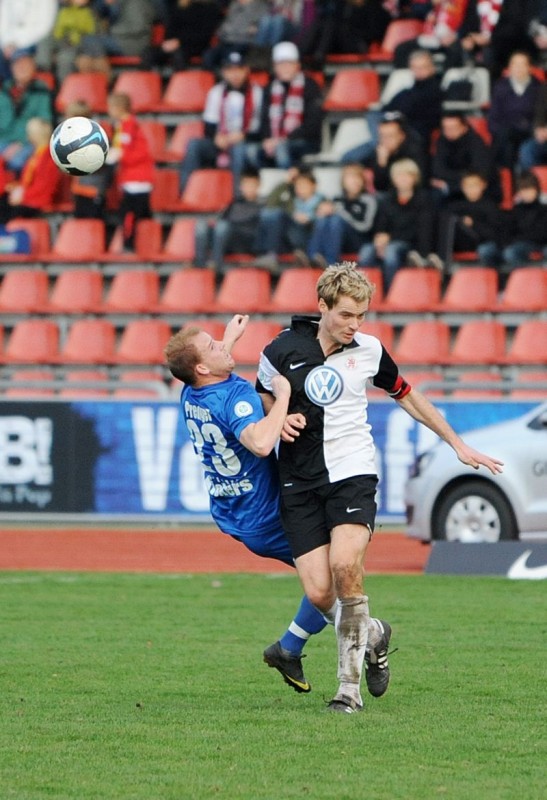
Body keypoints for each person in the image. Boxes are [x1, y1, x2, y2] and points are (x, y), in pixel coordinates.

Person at [256, 262, 504, 713]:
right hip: (298, 481)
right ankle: (374, 633)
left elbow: (407, 394)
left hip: (353, 473)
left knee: (346, 565)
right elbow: (265, 393)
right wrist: (280, 415)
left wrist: (457, 444)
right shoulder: (280, 349)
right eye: (347, 315)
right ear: (322, 306)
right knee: (318, 593)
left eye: (362, 316)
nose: (355, 325)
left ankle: (347, 691)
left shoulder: (369, 350)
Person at [164, 314, 395, 696]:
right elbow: (257, 442)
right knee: (327, 584)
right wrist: (283, 396)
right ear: (202, 367)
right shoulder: (234, 397)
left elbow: (212, 375)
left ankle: (289, 648)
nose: (222, 346)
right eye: (212, 346)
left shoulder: (192, 389)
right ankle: (372, 636)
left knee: (327, 581)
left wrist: (228, 341)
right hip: (265, 512)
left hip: (231, 509)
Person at [178, 50, 263, 193]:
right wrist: (216, 137)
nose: (235, 74)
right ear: (224, 72)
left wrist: (244, 136)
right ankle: (185, 193)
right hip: (221, 141)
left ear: (246, 70)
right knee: (194, 145)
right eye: (230, 70)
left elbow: (262, 128)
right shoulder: (216, 92)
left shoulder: (257, 93)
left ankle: (237, 197)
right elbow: (209, 126)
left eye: (239, 69)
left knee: (239, 149)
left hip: (245, 141)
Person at [244, 41, 323, 171]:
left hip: (304, 141)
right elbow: (264, 120)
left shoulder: (310, 87)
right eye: (281, 64)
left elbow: (312, 124)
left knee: (282, 148)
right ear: (275, 67)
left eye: (289, 63)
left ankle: (286, 185)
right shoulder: (269, 89)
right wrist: (267, 139)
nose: (285, 68)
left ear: (297, 65)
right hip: (275, 141)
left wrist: (284, 139)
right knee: (251, 151)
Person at [358, 158, 437, 287]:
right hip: (389, 242)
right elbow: (380, 225)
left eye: (407, 175)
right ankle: (363, 294)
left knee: (391, 252)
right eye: (399, 175)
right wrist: (379, 238)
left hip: (411, 245)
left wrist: (390, 238)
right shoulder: (387, 200)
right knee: (366, 251)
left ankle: (392, 293)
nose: (402, 179)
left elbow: (422, 231)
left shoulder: (424, 200)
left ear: (414, 178)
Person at [106, 92, 155, 251]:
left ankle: (129, 246)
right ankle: (147, 246)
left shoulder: (127, 126)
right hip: (136, 177)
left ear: (119, 108)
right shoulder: (125, 125)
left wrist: (114, 156)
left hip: (136, 179)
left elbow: (126, 152)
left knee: (129, 214)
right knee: (143, 215)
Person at [302, 163, 378, 266]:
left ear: (363, 181)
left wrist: (340, 212)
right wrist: (321, 212)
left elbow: (365, 227)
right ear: (343, 181)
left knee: (336, 220)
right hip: (339, 241)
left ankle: (330, 262)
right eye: (350, 178)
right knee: (324, 219)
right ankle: (312, 257)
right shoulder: (337, 199)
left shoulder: (369, 200)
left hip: (359, 240)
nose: (354, 182)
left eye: (358, 178)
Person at [341, 111, 428, 195]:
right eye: (382, 136)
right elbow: (380, 187)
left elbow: (420, 184)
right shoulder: (380, 151)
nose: (385, 140)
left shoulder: (415, 151)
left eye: (390, 136)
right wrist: (382, 164)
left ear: (402, 136)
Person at [194, 167, 263, 272]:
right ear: (241, 186)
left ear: (258, 186)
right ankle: (200, 265)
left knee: (223, 227)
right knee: (201, 225)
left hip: (243, 242)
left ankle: (216, 266)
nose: (249, 188)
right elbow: (221, 220)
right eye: (246, 185)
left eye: (252, 185)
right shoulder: (234, 203)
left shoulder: (262, 206)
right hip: (225, 238)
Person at [254, 168, 323, 272]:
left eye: (305, 185)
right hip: (291, 237)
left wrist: (310, 217)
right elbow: (270, 205)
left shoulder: (322, 201)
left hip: (309, 237)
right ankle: (269, 255)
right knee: (272, 214)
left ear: (314, 186)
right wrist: (285, 183)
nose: (301, 188)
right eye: (298, 185)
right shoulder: (292, 201)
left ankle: (306, 257)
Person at [437, 170, 504, 267]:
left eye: (475, 185)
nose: (471, 189)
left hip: (484, 243)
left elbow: (495, 234)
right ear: (462, 187)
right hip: (461, 243)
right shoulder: (455, 206)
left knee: (485, 250)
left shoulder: (490, 206)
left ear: (483, 185)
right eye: (468, 186)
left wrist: (474, 224)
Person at [0, 117, 61, 224]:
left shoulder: (49, 157)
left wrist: (23, 195)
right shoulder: (35, 155)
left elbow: (45, 187)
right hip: (29, 197)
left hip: (37, 201)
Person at [487, 50, 541, 169]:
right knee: (503, 143)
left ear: (530, 67)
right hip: (506, 133)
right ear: (509, 67)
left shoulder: (539, 88)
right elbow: (493, 118)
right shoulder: (500, 87)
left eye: (522, 64)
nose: (518, 68)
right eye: (515, 64)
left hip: (529, 132)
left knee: (527, 148)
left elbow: (540, 117)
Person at [0, 52, 53, 173]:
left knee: (17, 162)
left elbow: (44, 124)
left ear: (33, 67)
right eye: (18, 65)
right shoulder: (4, 90)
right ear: (12, 68)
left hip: (27, 142)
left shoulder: (41, 90)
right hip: (3, 139)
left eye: (26, 64)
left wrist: (20, 144)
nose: (21, 68)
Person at [430, 112, 499, 203]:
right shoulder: (442, 141)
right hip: (449, 186)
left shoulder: (476, 143)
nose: (448, 131)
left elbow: (480, 173)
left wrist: (450, 183)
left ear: (464, 127)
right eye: (445, 128)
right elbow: (438, 169)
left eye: (453, 128)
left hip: (476, 189)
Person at [501, 170, 547, 269]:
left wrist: (521, 237)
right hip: (524, 243)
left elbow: (543, 233)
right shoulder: (516, 209)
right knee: (510, 253)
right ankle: (527, 276)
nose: (527, 193)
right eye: (523, 190)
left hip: (543, 243)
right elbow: (509, 231)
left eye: (529, 189)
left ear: (537, 189)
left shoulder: (544, 208)